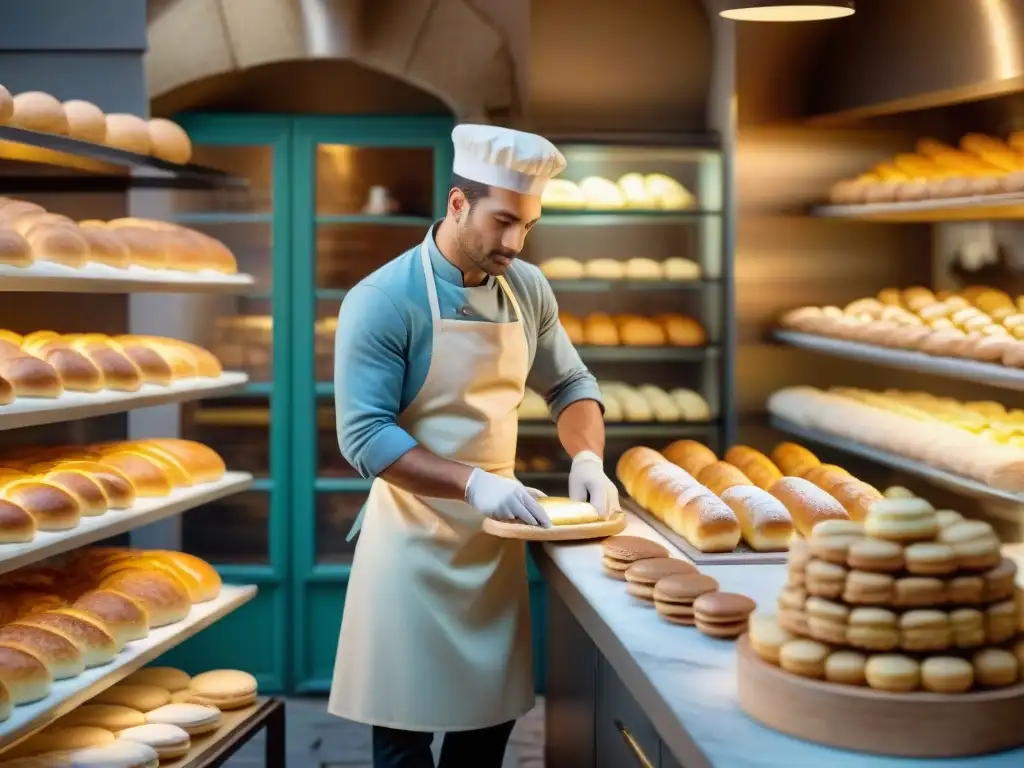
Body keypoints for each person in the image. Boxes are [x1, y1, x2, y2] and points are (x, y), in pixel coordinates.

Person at [328, 124, 620, 768]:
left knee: (484, 741)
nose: (514, 242)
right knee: (403, 743)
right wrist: (473, 482)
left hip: (494, 547)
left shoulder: (528, 288)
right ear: (458, 204)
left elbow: (570, 383)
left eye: (529, 226)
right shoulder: (381, 300)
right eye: (503, 220)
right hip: (409, 548)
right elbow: (366, 437)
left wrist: (588, 457)